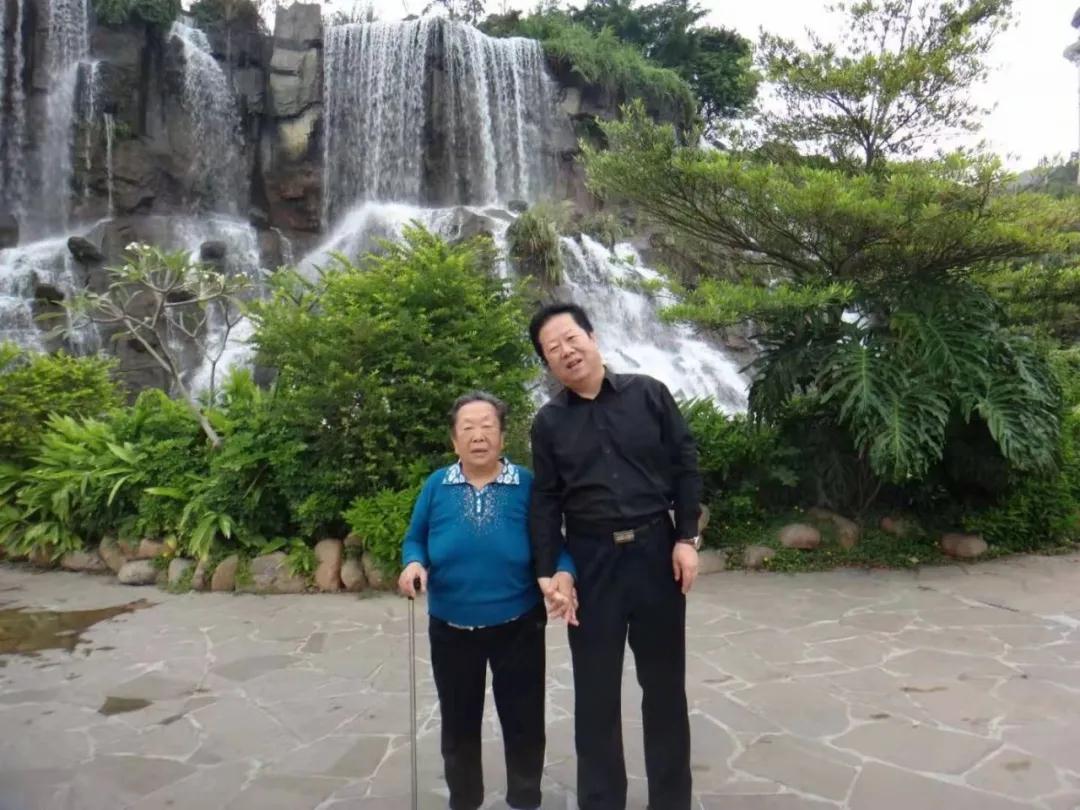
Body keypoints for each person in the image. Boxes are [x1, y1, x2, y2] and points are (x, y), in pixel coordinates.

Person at [528, 303, 702, 810]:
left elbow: (686, 465)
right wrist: (549, 570)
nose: (566, 351)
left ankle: (672, 802)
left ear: (592, 335)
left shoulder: (649, 394)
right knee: (596, 695)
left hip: (655, 555)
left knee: (664, 689)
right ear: (547, 362)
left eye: (571, 338)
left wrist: (686, 537)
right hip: (593, 562)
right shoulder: (549, 422)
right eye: (552, 348)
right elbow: (546, 501)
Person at [398, 390, 576, 810]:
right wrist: (413, 563)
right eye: (468, 428)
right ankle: (465, 801)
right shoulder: (436, 485)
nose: (478, 436)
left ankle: (524, 800)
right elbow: (414, 539)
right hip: (451, 627)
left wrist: (565, 575)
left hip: (519, 625)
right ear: (454, 441)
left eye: (487, 427)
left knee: (524, 722)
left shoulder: (526, 485)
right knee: (458, 725)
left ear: (502, 436)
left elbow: (556, 545)